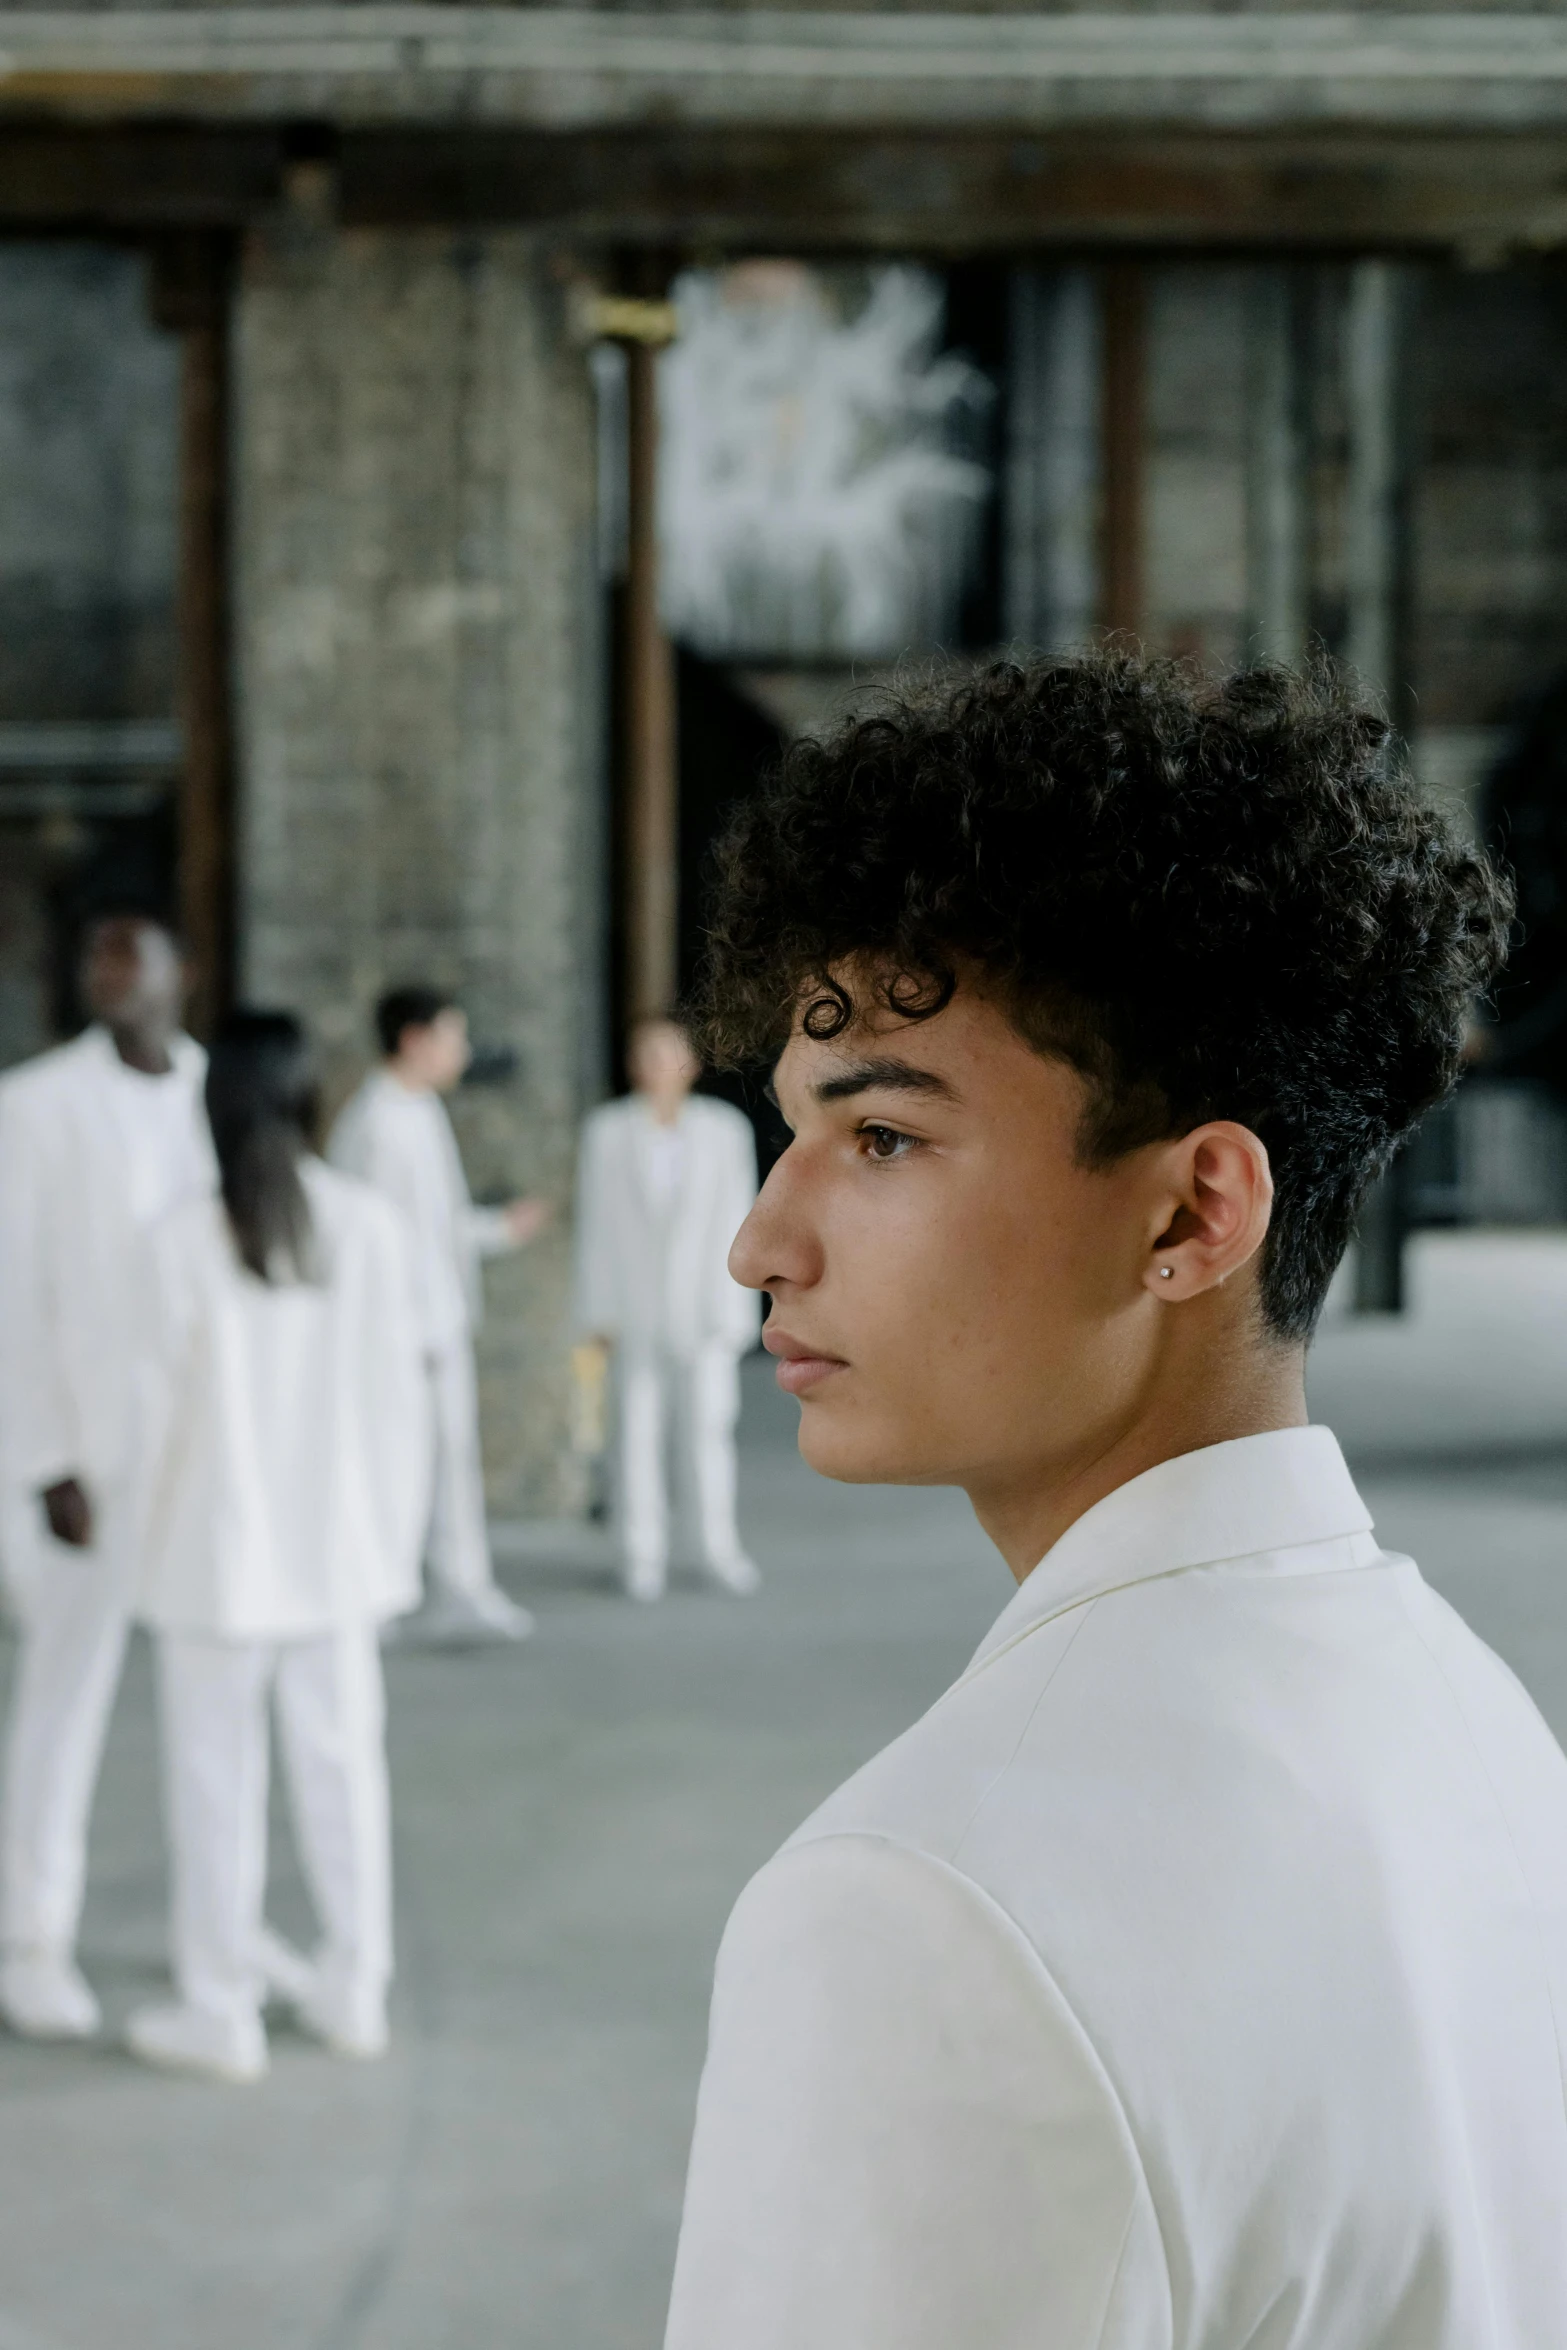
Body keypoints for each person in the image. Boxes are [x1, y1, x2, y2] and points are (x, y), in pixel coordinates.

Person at [663, 655, 1567, 2349]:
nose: (758, 1242)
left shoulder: (917, 1904)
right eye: (790, 1132)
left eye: (881, 1143)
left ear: (1189, 1216)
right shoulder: (1474, 1718)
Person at [126, 1012, 430, 2084]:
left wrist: (131, 1552)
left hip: (211, 1560)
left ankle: (221, 2009)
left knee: (216, 1781)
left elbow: (146, 1426)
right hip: (340, 1556)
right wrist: (393, 1550)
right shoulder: (369, 1229)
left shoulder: (177, 1241)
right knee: (344, 1775)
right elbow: (403, 1408)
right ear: (311, 1104)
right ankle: (354, 1989)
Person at [0, 911, 212, 2041]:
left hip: (201, 1454)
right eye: (96, 951)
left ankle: (213, 1935)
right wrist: (42, 1459)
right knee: (63, 1701)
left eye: (133, 949)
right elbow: (11, 1292)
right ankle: (31, 1939)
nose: (110, 967)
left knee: (211, 1703)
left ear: (182, 973)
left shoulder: (214, 1094)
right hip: (81, 1459)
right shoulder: (32, 1106)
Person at [329, 987, 548, 1646]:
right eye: (452, 1036)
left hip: (435, 1320)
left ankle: (457, 1588)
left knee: (446, 1460)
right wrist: (400, 1332)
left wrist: (498, 1232)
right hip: (403, 1331)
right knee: (399, 1461)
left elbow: (435, 1226)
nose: (462, 1050)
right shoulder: (374, 1125)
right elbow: (372, 1245)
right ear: (414, 1040)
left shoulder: (417, 1111)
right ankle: (385, 1596)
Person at [573, 1018, 761, 1602]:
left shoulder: (723, 1131)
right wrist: (595, 1313)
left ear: (691, 1063)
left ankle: (714, 1547)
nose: (655, 1065)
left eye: (667, 1053)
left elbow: (740, 1219)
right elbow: (595, 1227)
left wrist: (737, 1310)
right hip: (632, 1311)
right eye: (644, 1054)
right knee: (632, 1435)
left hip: (704, 1309)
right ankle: (639, 1553)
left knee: (707, 1432)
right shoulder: (606, 1132)